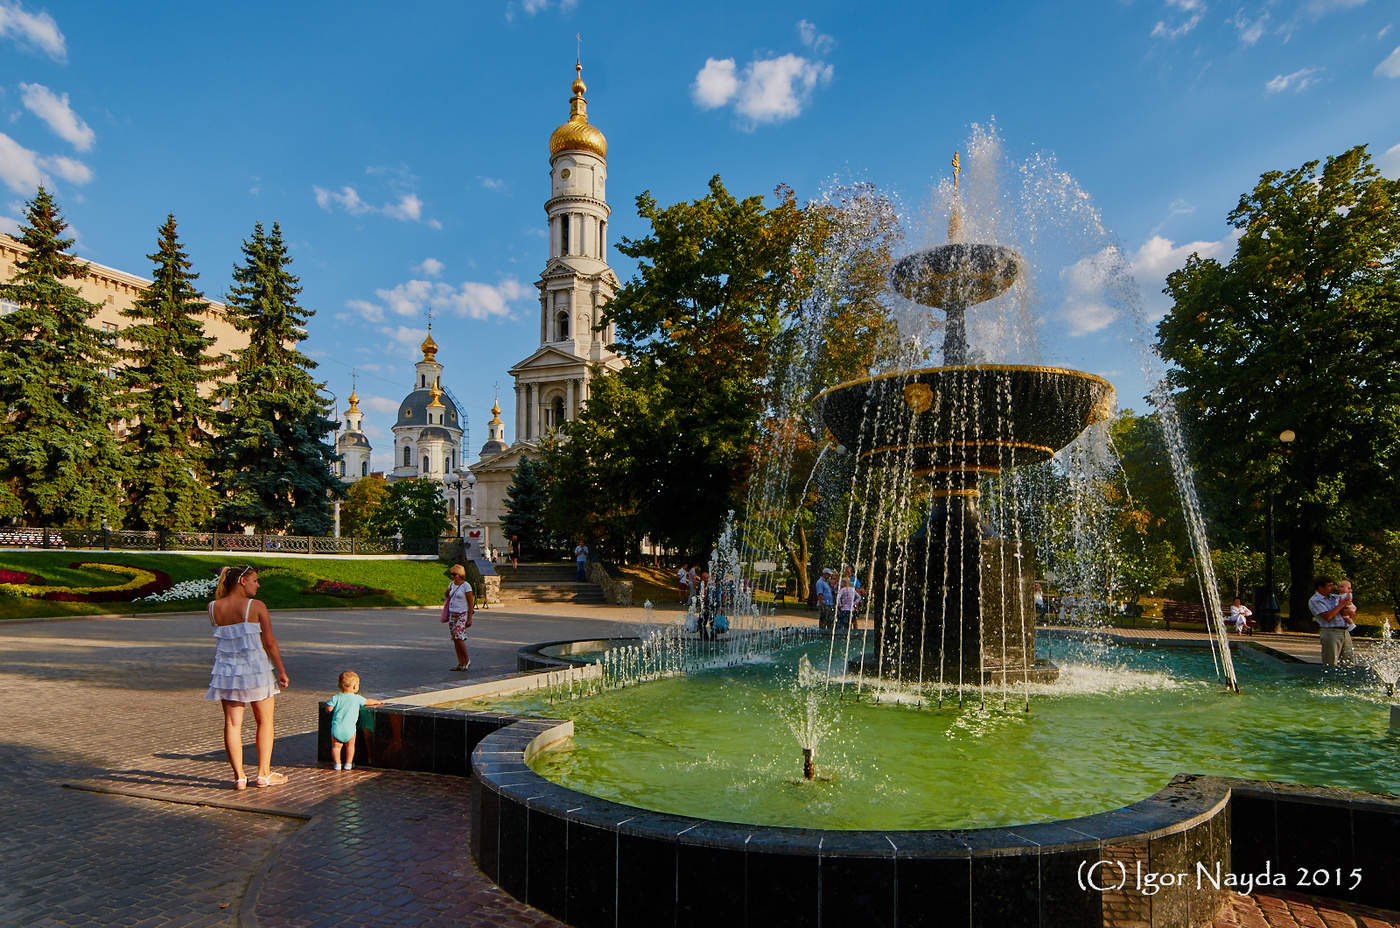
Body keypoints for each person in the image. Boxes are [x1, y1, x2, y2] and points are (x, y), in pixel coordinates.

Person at [205, 565, 290, 790]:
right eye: (255, 580)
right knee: (265, 721)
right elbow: (269, 642)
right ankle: (263, 774)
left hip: (227, 671)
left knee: (232, 724)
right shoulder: (256, 606)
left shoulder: (213, 607)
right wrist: (281, 670)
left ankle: (239, 777)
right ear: (243, 581)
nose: (258, 585)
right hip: (256, 670)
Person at [323, 670, 384, 770]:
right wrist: (377, 702)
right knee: (350, 746)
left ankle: (337, 764)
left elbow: (329, 708)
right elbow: (368, 701)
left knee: (336, 747)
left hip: (337, 728)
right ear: (355, 687)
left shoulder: (336, 697)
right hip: (350, 729)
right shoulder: (357, 698)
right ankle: (348, 764)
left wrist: (328, 709)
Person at [1308, 576, 1354, 666]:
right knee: (1331, 662)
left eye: (1332, 585)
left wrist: (1349, 609)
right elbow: (1328, 617)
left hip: (1345, 631)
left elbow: (1350, 612)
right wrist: (1341, 605)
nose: (1332, 588)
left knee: (1348, 662)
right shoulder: (1315, 600)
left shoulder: (1335, 597)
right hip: (1331, 633)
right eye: (1329, 586)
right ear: (1320, 588)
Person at [444, 564, 475, 672]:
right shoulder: (451, 584)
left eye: (454, 574)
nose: (452, 576)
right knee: (455, 639)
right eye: (451, 574)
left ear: (460, 574)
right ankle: (460, 663)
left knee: (458, 637)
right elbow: (447, 596)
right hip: (452, 614)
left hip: (462, 614)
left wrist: (469, 618)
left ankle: (467, 660)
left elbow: (470, 603)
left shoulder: (466, 586)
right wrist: (447, 593)